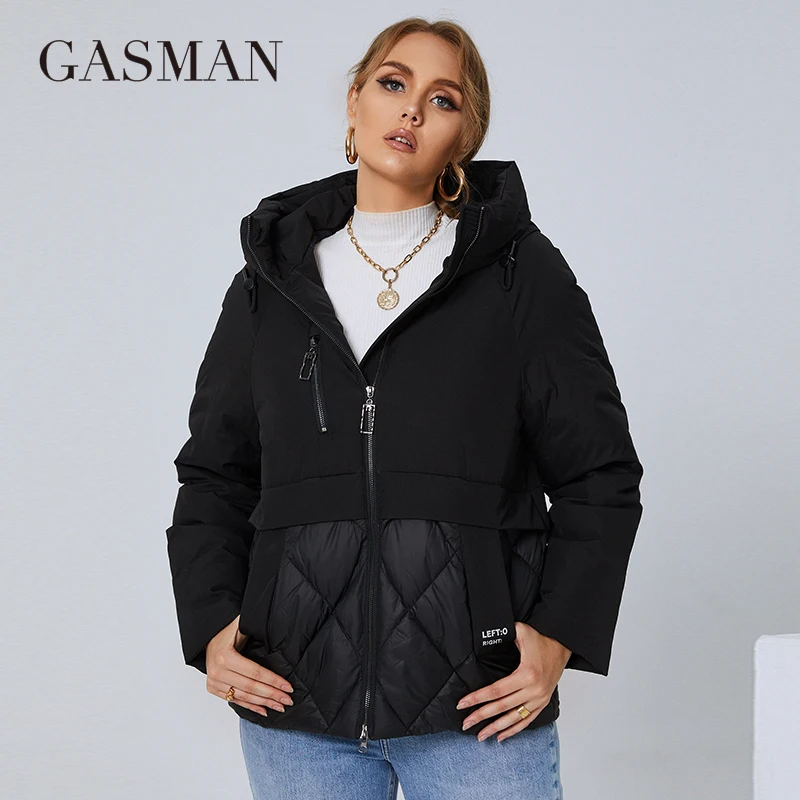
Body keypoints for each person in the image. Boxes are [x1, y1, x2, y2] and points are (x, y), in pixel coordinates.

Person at [165, 16, 644, 800]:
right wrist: (213, 624)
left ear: (464, 137)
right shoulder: (271, 285)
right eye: (393, 83)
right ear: (354, 102)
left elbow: (600, 474)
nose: (413, 109)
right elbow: (215, 475)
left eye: (443, 98)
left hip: (479, 714)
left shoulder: (520, 275)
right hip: (295, 712)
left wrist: (559, 635)